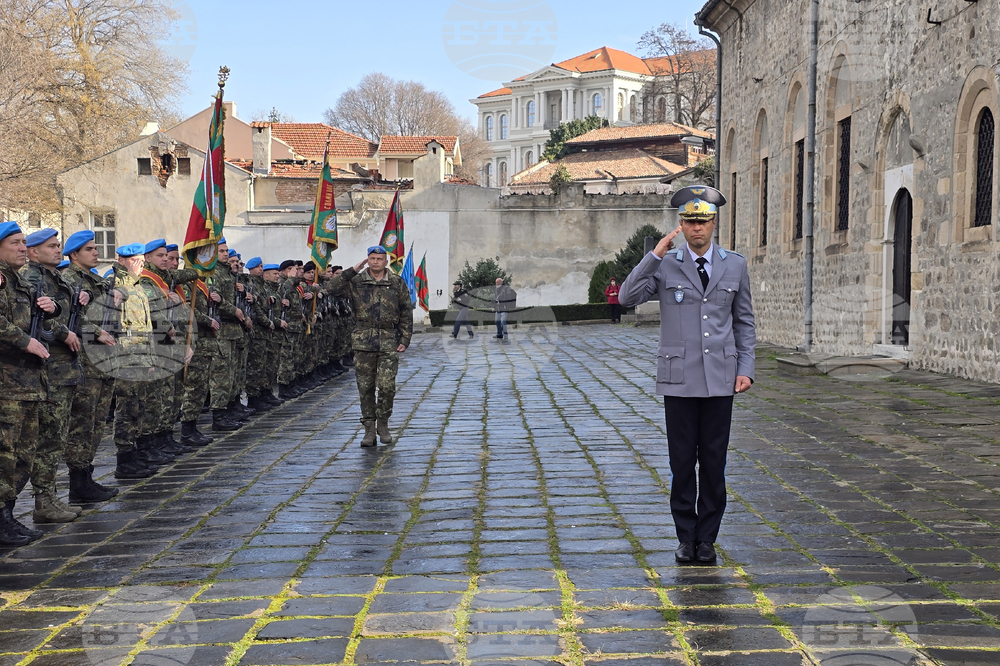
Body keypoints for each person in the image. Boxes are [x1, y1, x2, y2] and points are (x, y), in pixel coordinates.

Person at [618, 185, 756, 566]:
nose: (697, 228)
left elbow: (744, 322)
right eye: (690, 221)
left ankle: (706, 539)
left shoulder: (735, 265)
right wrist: (654, 255)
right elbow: (626, 297)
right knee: (681, 464)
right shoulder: (666, 264)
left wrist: (746, 368)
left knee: (713, 463)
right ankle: (685, 537)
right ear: (681, 223)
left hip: (721, 379)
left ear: (714, 223)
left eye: (704, 221)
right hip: (678, 379)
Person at [21, 229, 86, 523]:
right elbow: (37, 319)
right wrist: (64, 332)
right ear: (34, 252)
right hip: (49, 367)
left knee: (56, 437)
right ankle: (43, 501)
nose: (58, 250)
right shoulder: (32, 277)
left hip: (63, 367)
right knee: (48, 438)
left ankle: (49, 498)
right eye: (51, 246)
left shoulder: (54, 277)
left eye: (59, 245)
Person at [0, 222, 57, 545]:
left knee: (23, 454)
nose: (23, 248)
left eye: (24, 242)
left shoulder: (19, 281)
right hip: (7, 382)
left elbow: (36, 319)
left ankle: (8, 515)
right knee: (4, 455)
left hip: (27, 382)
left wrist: (52, 307)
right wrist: (25, 341)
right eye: (15, 243)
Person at [326, 246, 412, 447]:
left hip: (388, 340)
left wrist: (405, 339)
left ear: (386, 261)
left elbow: (406, 311)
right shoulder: (357, 281)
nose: (375, 262)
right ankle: (369, 429)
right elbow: (331, 289)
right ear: (367, 260)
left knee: (387, 386)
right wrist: (352, 270)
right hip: (363, 340)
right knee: (365, 387)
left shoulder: (396, 283)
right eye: (372, 258)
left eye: (379, 259)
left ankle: (383, 423)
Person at [63, 230, 122, 502]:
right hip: (85, 362)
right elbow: (68, 317)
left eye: (96, 248)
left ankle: (87, 476)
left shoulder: (96, 280)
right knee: (82, 423)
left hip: (104, 361)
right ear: (74, 255)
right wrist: (97, 331)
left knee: (97, 424)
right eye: (89, 249)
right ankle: (77, 483)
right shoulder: (70, 280)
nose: (96, 252)